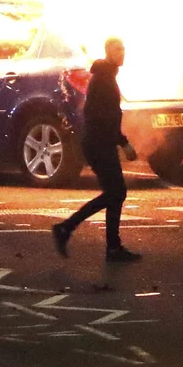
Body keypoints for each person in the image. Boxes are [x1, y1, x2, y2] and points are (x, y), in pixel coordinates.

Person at [52, 38, 141, 262]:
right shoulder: (102, 79)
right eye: (117, 49)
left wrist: (120, 142)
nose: (122, 53)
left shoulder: (107, 76)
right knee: (115, 193)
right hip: (98, 144)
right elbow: (101, 117)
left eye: (123, 48)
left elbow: (109, 117)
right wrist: (122, 143)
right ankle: (67, 228)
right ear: (107, 52)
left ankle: (111, 247)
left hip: (101, 143)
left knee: (115, 194)